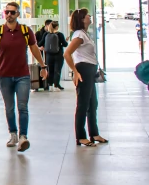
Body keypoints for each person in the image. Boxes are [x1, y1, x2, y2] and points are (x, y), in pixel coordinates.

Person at [0, 1, 48, 152]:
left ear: (18, 14)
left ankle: (23, 137)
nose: (9, 15)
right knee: (9, 108)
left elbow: (34, 50)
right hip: (5, 76)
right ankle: (13, 134)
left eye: (12, 12)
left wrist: (43, 66)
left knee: (23, 107)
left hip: (22, 76)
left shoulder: (26, 31)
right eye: (6, 12)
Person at [64, 9, 108, 147]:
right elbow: (67, 54)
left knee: (92, 104)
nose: (90, 17)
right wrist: (75, 72)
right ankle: (81, 136)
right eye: (87, 15)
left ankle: (94, 133)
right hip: (83, 70)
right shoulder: (78, 35)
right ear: (82, 19)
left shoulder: (84, 34)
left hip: (90, 70)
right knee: (83, 104)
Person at [43, 22, 68, 91]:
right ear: (57, 27)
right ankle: (56, 84)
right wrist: (65, 41)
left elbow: (41, 43)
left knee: (50, 70)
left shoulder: (46, 34)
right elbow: (65, 44)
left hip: (48, 55)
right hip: (58, 55)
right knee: (57, 70)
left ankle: (49, 85)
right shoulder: (60, 34)